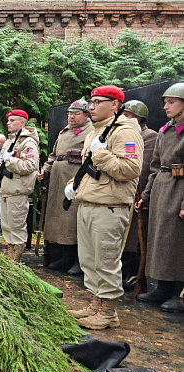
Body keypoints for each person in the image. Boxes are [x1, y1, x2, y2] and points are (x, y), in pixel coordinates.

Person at [65, 85, 143, 330]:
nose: (92, 106)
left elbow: (130, 170)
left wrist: (102, 156)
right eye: (91, 102)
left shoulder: (125, 131)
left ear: (115, 105)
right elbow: (91, 170)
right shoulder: (95, 132)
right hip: (89, 203)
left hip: (109, 206)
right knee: (89, 260)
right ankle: (94, 305)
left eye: (99, 102)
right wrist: (73, 184)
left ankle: (108, 312)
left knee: (106, 260)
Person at [135, 82, 184, 313]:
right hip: (162, 188)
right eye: (165, 102)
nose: (166, 106)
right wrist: (146, 195)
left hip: (180, 189)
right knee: (161, 241)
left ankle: (177, 293)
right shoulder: (165, 130)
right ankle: (162, 288)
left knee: (177, 243)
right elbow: (155, 167)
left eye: (171, 102)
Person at [38, 97, 93, 275]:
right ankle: (64, 256)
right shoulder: (63, 132)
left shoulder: (90, 132)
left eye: (76, 114)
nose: (71, 117)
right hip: (57, 180)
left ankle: (78, 259)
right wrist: (45, 170)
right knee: (59, 219)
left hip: (74, 179)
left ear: (86, 115)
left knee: (73, 220)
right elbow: (53, 156)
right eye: (69, 113)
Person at [0, 109, 40, 263]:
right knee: (7, 227)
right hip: (6, 189)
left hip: (18, 190)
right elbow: (0, 164)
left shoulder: (28, 142)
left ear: (22, 123)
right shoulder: (11, 140)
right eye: (8, 120)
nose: (8, 123)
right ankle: (10, 258)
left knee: (16, 228)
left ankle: (14, 261)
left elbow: (30, 165)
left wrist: (10, 161)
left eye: (12, 120)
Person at [120, 100, 157, 291]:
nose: (124, 118)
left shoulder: (149, 136)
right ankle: (122, 272)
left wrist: (142, 193)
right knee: (123, 236)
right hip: (123, 191)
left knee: (136, 236)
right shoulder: (123, 133)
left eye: (129, 115)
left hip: (137, 192)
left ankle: (133, 274)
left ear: (139, 118)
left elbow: (145, 167)